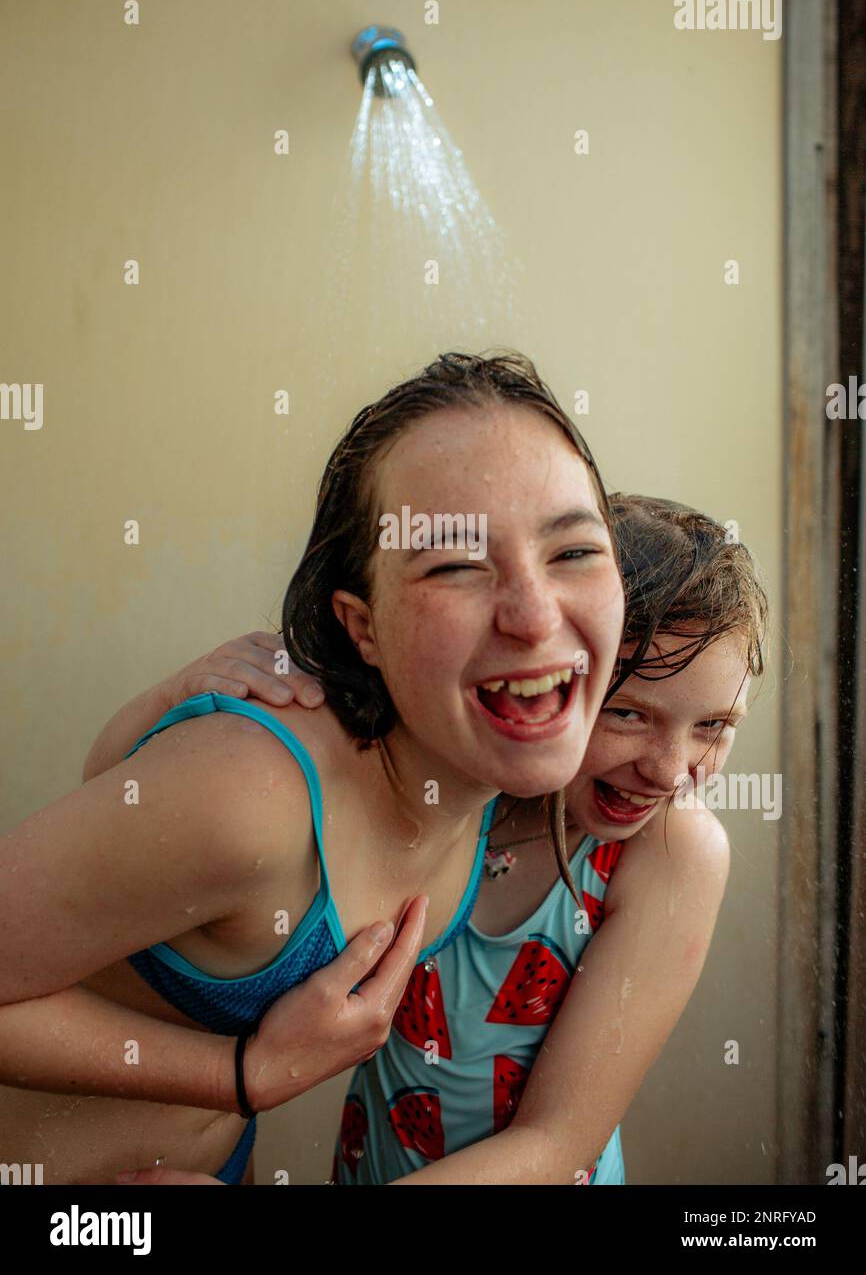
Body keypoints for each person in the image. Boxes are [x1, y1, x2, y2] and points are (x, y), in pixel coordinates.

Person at [0, 351, 625, 1184]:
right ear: (360, 627)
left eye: (575, 551)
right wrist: (244, 1076)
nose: (535, 613)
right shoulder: (256, 797)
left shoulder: (491, 765)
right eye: (454, 564)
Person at [109, 494, 768, 1186]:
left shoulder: (671, 852)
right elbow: (114, 806)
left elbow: (554, 1144)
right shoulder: (443, 785)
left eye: (714, 727)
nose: (670, 770)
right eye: (629, 713)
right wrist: (179, 696)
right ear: (553, 680)